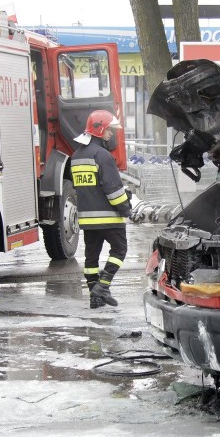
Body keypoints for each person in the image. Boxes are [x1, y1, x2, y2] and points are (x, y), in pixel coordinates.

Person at [70, 110, 131, 309]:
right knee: (120, 249)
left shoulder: (76, 156)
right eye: (109, 130)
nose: (111, 134)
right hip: (108, 217)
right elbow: (112, 189)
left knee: (91, 257)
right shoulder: (102, 155)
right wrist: (125, 208)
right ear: (100, 129)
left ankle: (94, 297)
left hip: (87, 219)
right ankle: (103, 287)